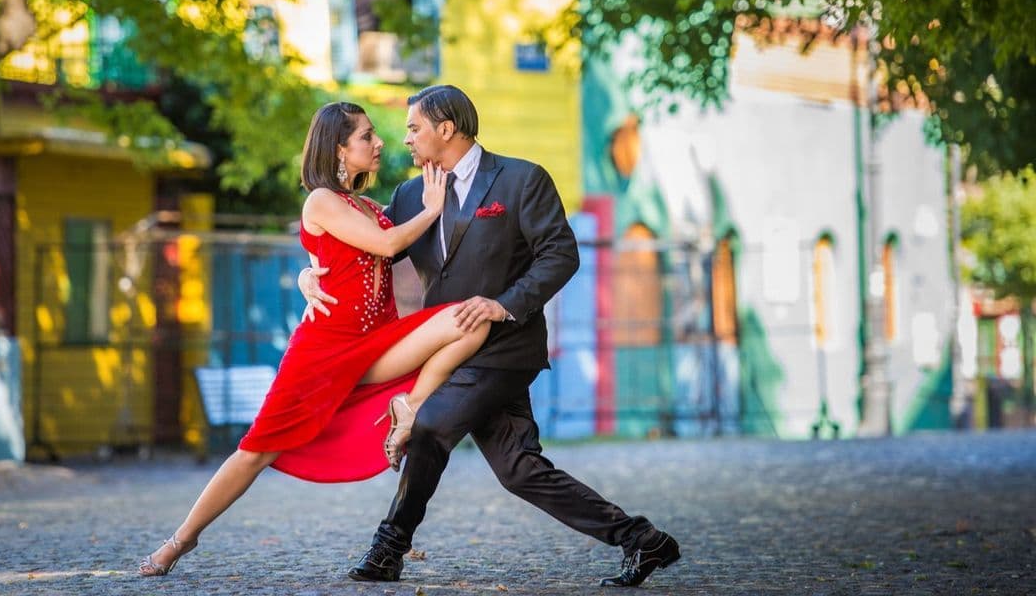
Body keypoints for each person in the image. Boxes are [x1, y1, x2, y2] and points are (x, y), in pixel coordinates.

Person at [300, 85, 680, 588]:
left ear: (446, 129)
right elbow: (364, 252)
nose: (406, 139)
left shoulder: (522, 179)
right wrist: (310, 275)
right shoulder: (411, 195)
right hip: (448, 351)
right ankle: (644, 540)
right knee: (520, 469)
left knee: (430, 424)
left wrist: (504, 305)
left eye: (415, 128)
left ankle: (387, 548)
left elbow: (561, 255)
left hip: (505, 348)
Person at [138, 101, 489, 577]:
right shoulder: (320, 200)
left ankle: (408, 407)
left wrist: (310, 271)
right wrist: (431, 210)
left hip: (379, 342)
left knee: (473, 320)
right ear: (339, 149)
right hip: (323, 352)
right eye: (367, 136)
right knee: (256, 451)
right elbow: (386, 245)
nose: (380, 141)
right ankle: (180, 541)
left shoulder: (366, 205)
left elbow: (346, 252)